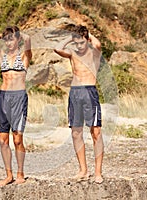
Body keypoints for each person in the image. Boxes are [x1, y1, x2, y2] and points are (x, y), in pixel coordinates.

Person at [54, 25, 104, 184]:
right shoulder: (72, 53)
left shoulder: (93, 53)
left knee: (95, 132)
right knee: (76, 132)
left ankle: (98, 172)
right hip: (75, 93)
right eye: (76, 43)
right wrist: (72, 37)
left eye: (82, 42)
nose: (79, 46)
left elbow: (98, 44)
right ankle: (83, 170)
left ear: (87, 40)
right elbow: (57, 48)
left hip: (90, 92)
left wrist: (87, 35)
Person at [0, 26, 32, 187]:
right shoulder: (2, 55)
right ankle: (8, 175)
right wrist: (4, 34)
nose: (9, 42)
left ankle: (20, 173)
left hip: (18, 98)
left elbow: (28, 40)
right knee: (3, 139)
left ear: (17, 40)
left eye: (11, 39)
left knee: (17, 139)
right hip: (3, 98)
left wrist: (17, 34)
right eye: (6, 40)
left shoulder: (24, 56)